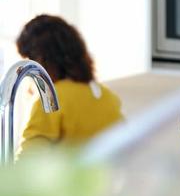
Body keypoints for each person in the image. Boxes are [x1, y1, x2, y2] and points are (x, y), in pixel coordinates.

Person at [16, 14, 123, 151]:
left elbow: (28, 162)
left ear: (41, 59)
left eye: (29, 58)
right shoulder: (107, 97)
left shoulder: (52, 100)